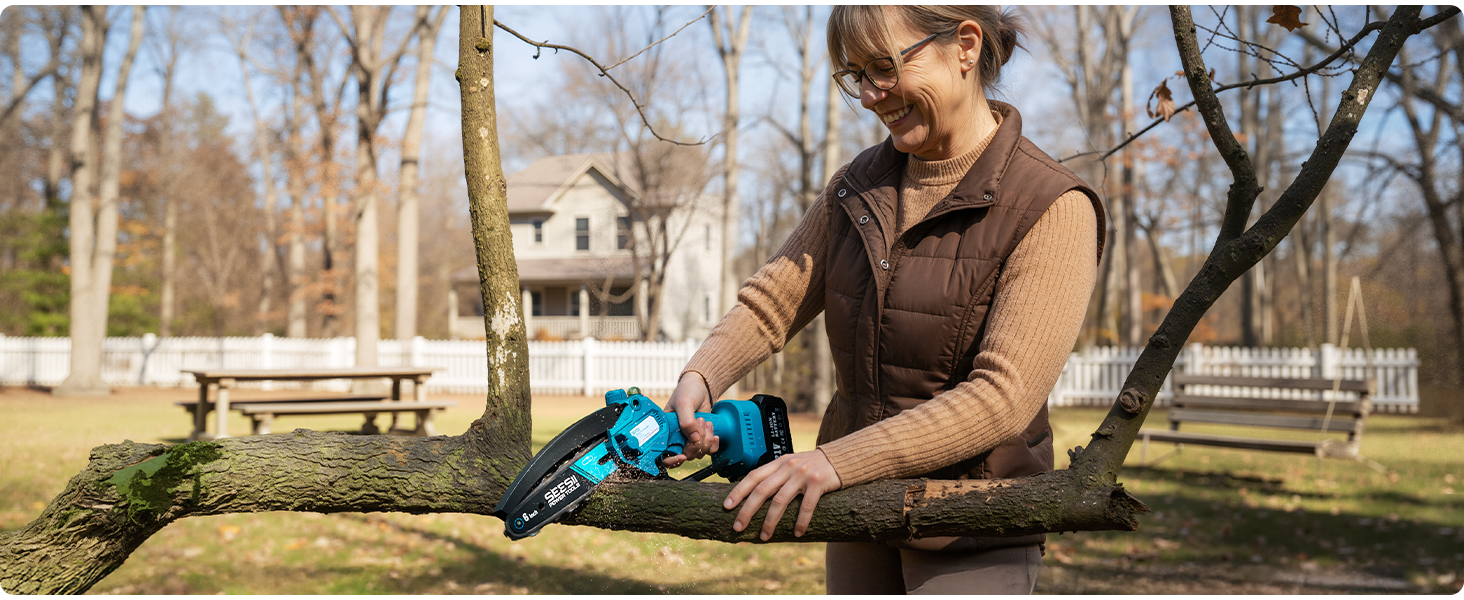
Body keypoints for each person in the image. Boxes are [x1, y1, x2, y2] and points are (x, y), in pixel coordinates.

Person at [661, 5, 1105, 594]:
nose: (870, 95)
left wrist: (835, 461)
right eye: (856, 75)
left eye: (885, 67)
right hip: (854, 512)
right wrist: (702, 375)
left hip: (970, 525)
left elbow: (1003, 397)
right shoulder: (856, 185)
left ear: (966, 46)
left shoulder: (1052, 204)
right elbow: (773, 300)